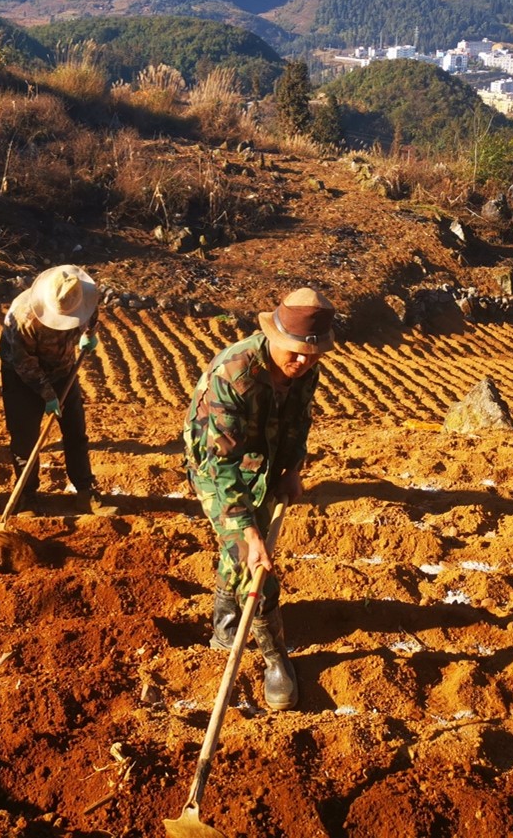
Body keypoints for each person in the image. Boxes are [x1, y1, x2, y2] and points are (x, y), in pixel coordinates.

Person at [183, 286, 336, 712]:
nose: (304, 360)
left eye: (313, 353)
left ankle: (226, 629)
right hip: (216, 461)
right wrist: (248, 531)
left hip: (264, 455)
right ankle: (275, 658)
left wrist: (291, 469)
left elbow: (297, 422)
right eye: (296, 351)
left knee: (241, 554)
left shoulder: (306, 369)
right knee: (252, 558)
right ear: (274, 337)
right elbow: (222, 464)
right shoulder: (234, 373)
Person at [0, 264, 106, 513]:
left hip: (63, 368)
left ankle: (85, 490)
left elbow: (92, 315)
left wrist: (89, 334)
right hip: (22, 376)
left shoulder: (81, 295)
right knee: (25, 438)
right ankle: (27, 495)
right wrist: (48, 396)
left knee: (75, 431)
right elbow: (24, 363)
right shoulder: (23, 317)